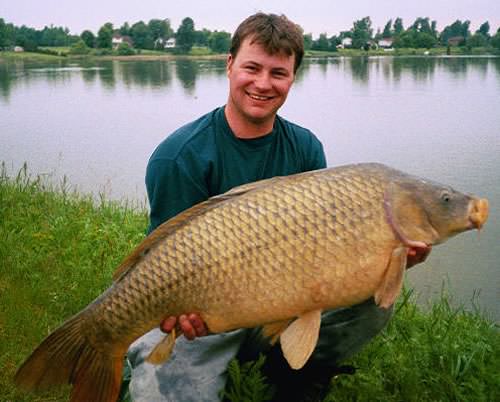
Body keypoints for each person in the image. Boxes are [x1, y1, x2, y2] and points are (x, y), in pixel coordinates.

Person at [124, 12, 429, 402]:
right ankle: (125, 359)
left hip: (280, 302)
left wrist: (390, 259)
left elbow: (325, 253)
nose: (263, 84)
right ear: (229, 64)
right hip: (204, 315)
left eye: (278, 73)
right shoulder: (179, 156)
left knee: (372, 301)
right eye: (252, 68)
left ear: (293, 78)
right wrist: (176, 311)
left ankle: (293, 375)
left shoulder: (305, 148)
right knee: (158, 393)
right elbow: (163, 264)